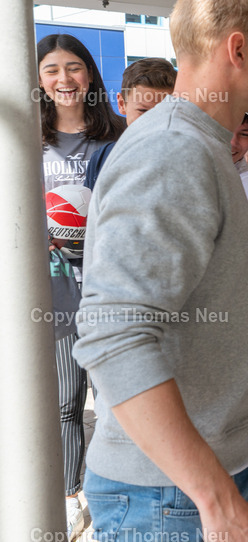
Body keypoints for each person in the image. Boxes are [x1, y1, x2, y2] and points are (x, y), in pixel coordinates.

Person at [73, 0, 248, 541]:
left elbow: (194, 300)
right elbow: (114, 335)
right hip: (170, 495)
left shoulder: (204, 144)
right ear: (237, 48)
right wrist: (216, 499)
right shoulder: (171, 152)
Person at [37, 32, 126, 541]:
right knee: (66, 402)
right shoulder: (27, 138)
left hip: (109, 286)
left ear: (89, 75)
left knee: (114, 397)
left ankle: (113, 488)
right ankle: (72, 496)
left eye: (73, 68)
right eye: (52, 70)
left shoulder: (114, 138)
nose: (64, 79)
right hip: (54, 289)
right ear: (40, 80)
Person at [84, 57, 175, 190]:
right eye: (143, 111)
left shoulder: (193, 159)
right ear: (121, 104)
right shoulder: (102, 158)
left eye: (164, 111)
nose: (154, 121)